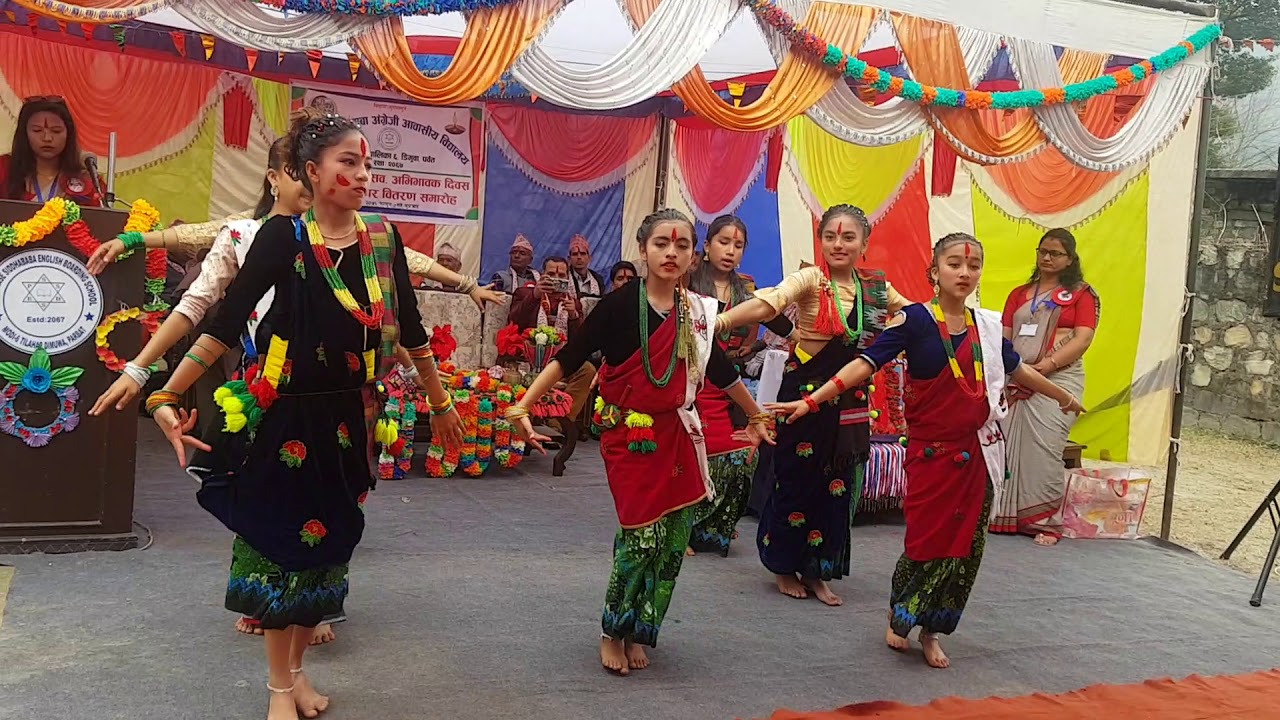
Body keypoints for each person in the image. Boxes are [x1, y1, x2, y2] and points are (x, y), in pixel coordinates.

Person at [143, 112, 464, 720]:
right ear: (311, 173)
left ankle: (296, 675)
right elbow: (225, 323)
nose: (362, 175)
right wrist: (162, 393)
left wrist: (441, 403)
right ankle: (277, 690)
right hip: (285, 417)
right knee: (282, 548)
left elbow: (413, 331)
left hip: (348, 418)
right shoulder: (281, 237)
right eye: (348, 162)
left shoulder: (383, 239)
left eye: (367, 164)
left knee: (324, 550)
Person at [768, 232, 1084, 669]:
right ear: (935, 272)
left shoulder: (986, 327)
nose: (965, 272)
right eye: (954, 264)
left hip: (977, 455)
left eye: (973, 265)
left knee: (965, 550)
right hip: (930, 456)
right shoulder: (914, 320)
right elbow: (865, 364)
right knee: (925, 542)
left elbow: (1017, 369)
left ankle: (933, 630)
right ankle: (902, 614)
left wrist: (1062, 396)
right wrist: (812, 400)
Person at [508, 209, 774, 675]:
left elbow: (719, 370)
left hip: (679, 435)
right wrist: (522, 406)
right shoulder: (618, 306)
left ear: (693, 256)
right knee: (640, 537)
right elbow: (570, 356)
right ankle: (613, 631)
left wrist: (755, 414)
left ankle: (641, 628)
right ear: (643, 250)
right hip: (631, 436)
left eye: (682, 246)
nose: (671, 253)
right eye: (661, 244)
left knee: (671, 543)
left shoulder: (696, 313)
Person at [715, 205, 908, 607]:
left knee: (839, 487)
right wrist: (717, 323)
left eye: (848, 237)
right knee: (796, 481)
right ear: (820, 240)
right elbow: (768, 304)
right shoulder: (810, 279)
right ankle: (784, 565)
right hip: (802, 394)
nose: (838, 244)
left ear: (864, 244)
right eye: (830, 236)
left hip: (851, 399)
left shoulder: (876, 289)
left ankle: (818, 570)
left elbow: (912, 316)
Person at [685, 215, 792, 556]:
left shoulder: (746, 291)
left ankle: (711, 527)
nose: (730, 251)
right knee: (686, 454)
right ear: (707, 245)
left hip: (725, 386)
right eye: (723, 242)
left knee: (741, 456)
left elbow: (778, 321)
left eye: (738, 245)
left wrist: (803, 338)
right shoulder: (687, 281)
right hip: (687, 384)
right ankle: (679, 530)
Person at [992, 228, 1100, 546]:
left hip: (1060, 379)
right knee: (1005, 445)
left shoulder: (1082, 294)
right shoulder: (1019, 294)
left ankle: (1047, 523)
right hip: (1018, 378)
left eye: (1055, 254)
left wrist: (1047, 366)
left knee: (1045, 449)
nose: (1047, 258)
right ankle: (1002, 515)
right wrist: (1012, 371)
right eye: (1043, 252)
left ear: (1070, 259)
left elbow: (1083, 338)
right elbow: (1004, 338)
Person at [507, 256, 594, 420]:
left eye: (561, 275)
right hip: (529, 360)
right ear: (542, 275)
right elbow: (514, 320)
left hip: (560, 362)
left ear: (567, 278)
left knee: (587, 369)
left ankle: (561, 420)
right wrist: (535, 295)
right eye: (551, 274)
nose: (556, 279)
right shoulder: (525, 293)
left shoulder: (573, 302)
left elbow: (580, 343)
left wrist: (574, 316)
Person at [1, 96, 103, 205]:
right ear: (24, 134)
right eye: (37, 130)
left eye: (56, 131)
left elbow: (102, 213)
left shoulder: (87, 179)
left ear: (68, 134)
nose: (47, 138)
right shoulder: (4, 168)